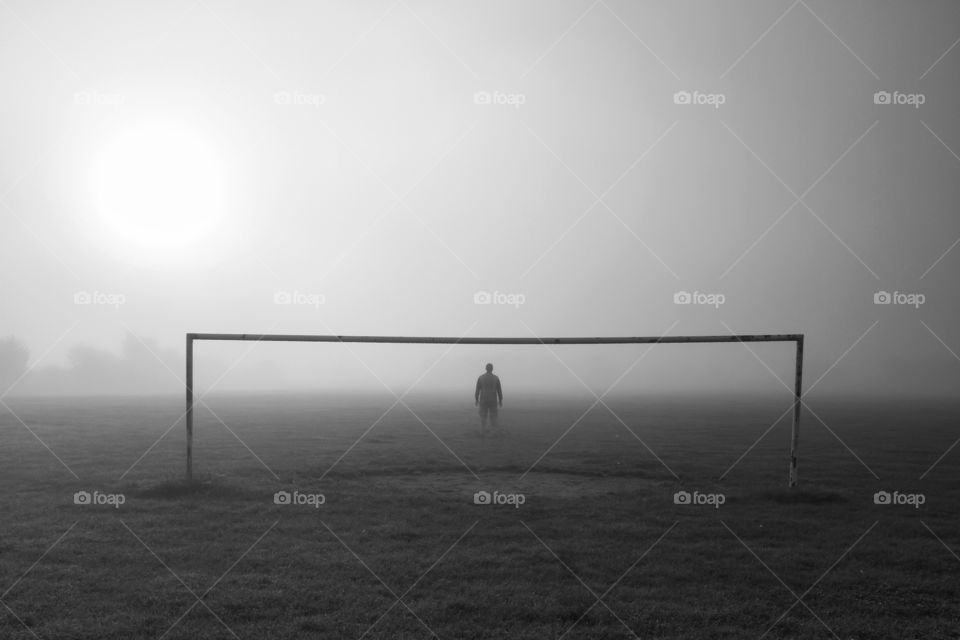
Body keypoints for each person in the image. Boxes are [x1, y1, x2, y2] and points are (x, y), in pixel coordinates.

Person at [475, 363, 503, 434]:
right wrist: (500, 400)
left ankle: (482, 431)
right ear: (492, 369)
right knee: (493, 417)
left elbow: (477, 389)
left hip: (483, 400)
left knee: (483, 417)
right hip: (493, 400)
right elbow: (499, 390)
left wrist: (476, 399)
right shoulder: (496, 378)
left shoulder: (481, 377)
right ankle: (493, 432)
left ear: (486, 368)